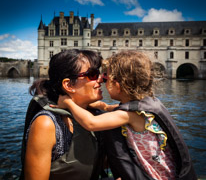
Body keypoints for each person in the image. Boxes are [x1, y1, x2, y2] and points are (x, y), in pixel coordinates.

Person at [56, 50, 197, 180]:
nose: (101, 80)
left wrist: (68, 103)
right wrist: (100, 105)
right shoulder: (143, 106)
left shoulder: (128, 115)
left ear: (117, 85)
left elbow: (91, 122)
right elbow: (112, 108)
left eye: (106, 78)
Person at [20, 49, 112, 180]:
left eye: (99, 73)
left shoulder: (94, 115)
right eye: (93, 74)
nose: (101, 79)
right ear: (68, 85)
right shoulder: (47, 124)